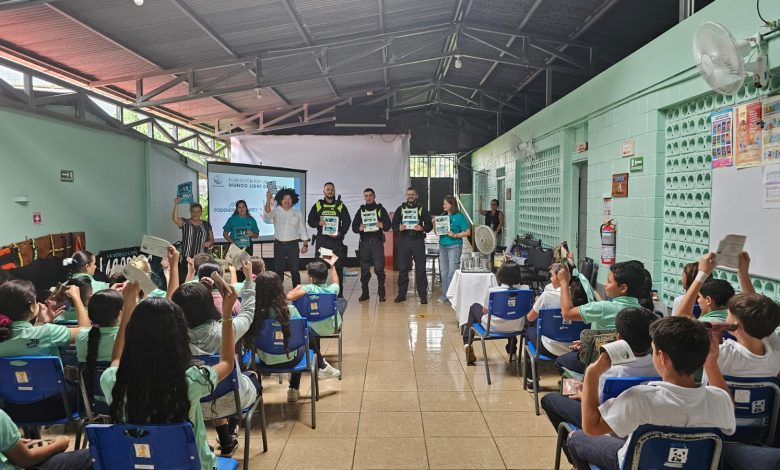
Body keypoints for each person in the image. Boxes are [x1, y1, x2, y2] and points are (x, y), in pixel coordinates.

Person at [566, 317, 735, 470]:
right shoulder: (720, 399)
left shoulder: (640, 398)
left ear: (662, 357)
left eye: (653, 350)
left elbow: (591, 427)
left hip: (632, 464)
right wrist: (711, 363)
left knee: (576, 438)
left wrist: (591, 374)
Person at [101, 280, 237, 470]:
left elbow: (116, 359)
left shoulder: (113, 381)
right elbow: (227, 363)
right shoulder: (190, 381)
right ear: (180, 336)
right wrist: (227, 313)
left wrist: (129, 305)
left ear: (133, 336)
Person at [172, 260, 260, 457]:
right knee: (249, 377)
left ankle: (226, 438)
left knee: (208, 383)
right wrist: (248, 281)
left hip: (191, 404)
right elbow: (247, 313)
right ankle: (229, 433)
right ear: (208, 303)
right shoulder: (225, 330)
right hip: (231, 401)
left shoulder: (172, 337)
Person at [541, 307, 659, 435]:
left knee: (551, 398)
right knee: (567, 386)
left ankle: (571, 439)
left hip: (603, 424)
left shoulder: (608, 370)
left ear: (618, 337)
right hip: (638, 424)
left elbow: (597, 405)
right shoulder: (658, 367)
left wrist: (583, 394)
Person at [242, 272, 334, 403]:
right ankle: (294, 388)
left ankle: (322, 366)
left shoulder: (253, 313)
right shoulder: (290, 310)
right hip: (291, 360)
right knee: (303, 338)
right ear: (280, 289)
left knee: (301, 337)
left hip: (264, 361)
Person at [554, 260, 648, 374]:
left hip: (599, 362)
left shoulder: (603, 308)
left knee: (560, 362)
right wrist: (590, 341)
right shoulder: (643, 312)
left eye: (609, 281)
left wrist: (564, 282)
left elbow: (567, 313)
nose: (606, 285)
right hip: (627, 364)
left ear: (623, 288)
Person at [0, 280, 90, 357]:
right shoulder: (48, 332)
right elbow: (85, 332)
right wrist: (76, 298)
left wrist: (39, 323)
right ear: (31, 306)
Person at [462, 260, 528, 364]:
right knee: (512, 313)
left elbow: (484, 311)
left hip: (493, 327)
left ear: (500, 275)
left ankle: (467, 344)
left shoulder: (494, 291)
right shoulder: (525, 289)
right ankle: (512, 352)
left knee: (474, 307)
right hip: (517, 326)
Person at [286, 258, 343, 379]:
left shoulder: (308, 289)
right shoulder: (332, 290)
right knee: (341, 303)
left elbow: (289, 296)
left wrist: (296, 288)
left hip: (310, 328)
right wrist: (332, 266)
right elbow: (336, 281)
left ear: (311, 278)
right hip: (329, 328)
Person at [76, 289, 123, 411]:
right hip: (122, 405)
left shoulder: (81, 337)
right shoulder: (124, 339)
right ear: (120, 314)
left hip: (93, 405)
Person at [0, 408, 91, 470]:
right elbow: (25, 460)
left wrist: (11, 442)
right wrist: (58, 446)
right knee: (90, 456)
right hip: (58, 408)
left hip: (17, 409)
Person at [676, 252, 750, 323]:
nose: (698, 300)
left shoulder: (702, 326)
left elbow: (681, 318)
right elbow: (753, 307)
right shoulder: (740, 324)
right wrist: (743, 273)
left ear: (708, 300)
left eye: (699, 297)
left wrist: (702, 274)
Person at [307, 182, 351, 299]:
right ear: (324, 191)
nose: (330, 191)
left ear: (334, 191)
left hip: (335, 243)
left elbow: (347, 221)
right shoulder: (318, 205)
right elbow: (310, 221)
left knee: (337, 267)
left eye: (332, 189)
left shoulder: (340, 205)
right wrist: (318, 223)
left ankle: (339, 294)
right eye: (327, 189)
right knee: (320, 268)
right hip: (322, 242)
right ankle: (320, 293)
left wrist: (340, 233)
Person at [391, 187, 433, 304]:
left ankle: (423, 295)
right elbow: (393, 224)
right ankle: (401, 294)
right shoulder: (400, 209)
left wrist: (422, 228)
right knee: (403, 269)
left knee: (420, 269)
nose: (410, 196)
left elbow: (429, 225)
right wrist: (398, 227)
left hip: (417, 240)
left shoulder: (422, 209)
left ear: (416, 196)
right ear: (406, 195)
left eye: (413, 194)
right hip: (404, 240)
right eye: (409, 194)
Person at [351, 188, 392, 302]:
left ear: (374, 196)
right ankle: (365, 293)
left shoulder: (380, 209)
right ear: (364, 197)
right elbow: (354, 227)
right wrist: (359, 228)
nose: (368, 198)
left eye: (370, 195)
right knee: (364, 270)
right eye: (366, 196)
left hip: (377, 243)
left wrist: (381, 224)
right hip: (364, 244)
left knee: (379, 268)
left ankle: (382, 292)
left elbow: (388, 225)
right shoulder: (361, 210)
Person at [264, 187, 309, 289]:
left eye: (289, 198)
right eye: (284, 198)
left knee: (294, 270)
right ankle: (278, 293)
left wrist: (305, 244)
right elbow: (267, 215)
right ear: (280, 200)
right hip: (279, 244)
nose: (287, 201)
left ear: (293, 200)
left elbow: (303, 229)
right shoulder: (276, 211)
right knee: (278, 270)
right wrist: (268, 199)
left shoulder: (297, 213)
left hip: (293, 245)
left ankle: (297, 293)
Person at [436, 195, 471, 304]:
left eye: (446, 204)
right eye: (443, 204)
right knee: (444, 271)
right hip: (443, 246)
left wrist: (455, 235)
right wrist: (435, 224)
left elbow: (468, 232)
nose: (443, 205)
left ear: (452, 205)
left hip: (454, 246)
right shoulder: (442, 216)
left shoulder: (459, 216)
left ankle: (452, 296)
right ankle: (444, 295)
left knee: (452, 271)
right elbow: (437, 232)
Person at [172, 197, 214, 282]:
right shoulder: (185, 223)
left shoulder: (206, 224)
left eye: (198, 212)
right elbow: (175, 219)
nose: (195, 214)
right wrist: (176, 204)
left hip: (201, 260)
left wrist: (208, 243)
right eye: (193, 211)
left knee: (200, 283)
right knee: (185, 283)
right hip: (186, 259)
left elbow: (212, 240)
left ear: (201, 213)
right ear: (190, 212)